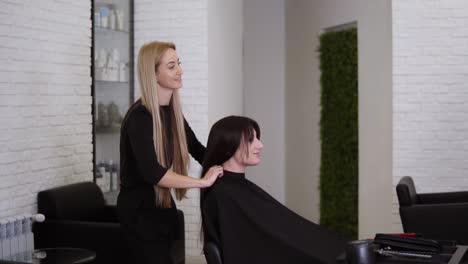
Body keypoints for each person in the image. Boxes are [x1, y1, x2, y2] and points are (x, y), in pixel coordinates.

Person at [117, 41, 223, 264]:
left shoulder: (171, 113)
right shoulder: (140, 117)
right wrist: (202, 182)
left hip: (163, 208)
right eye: (172, 66)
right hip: (139, 214)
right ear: (153, 73)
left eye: (179, 64)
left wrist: (228, 165)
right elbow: (153, 173)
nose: (180, 71)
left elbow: (197, 149)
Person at [201, 116, 349, 264]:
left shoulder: (232, 188)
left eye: (258, 138)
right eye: (251, 140)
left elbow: (288, 229)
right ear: (229, 145)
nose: (260, 145)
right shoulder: (223, 194)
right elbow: (255, 246)